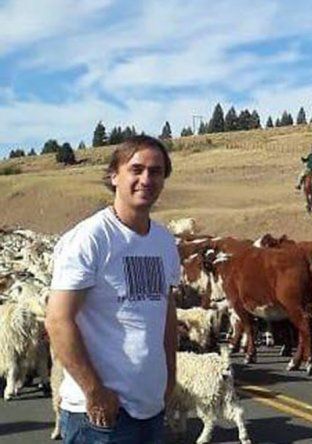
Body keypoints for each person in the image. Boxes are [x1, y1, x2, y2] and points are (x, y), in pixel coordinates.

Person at [46, 135, 181, 443]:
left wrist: (169, 376)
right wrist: (94, 392)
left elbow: (165, 310)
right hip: (100, 418)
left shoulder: (164, 242)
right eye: (136, 169)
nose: (146, 179)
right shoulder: (90, 238)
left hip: (150, 409)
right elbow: (57, 320)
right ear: (114, 175)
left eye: (156, 171)